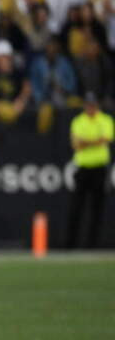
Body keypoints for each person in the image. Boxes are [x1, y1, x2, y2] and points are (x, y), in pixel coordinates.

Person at [66, 93, 113, 249]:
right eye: (88, 104)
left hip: (99, 168)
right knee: (76, 207)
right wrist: (96, 141)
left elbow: (106, 139)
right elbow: (76, 145)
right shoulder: (78, 121)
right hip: (83, 168)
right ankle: (71, 244)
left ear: (97, 105)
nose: (90, 107)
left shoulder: (105, 120)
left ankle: (92, 245)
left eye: (93, 104)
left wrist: (85, 141)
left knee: (97, 208)